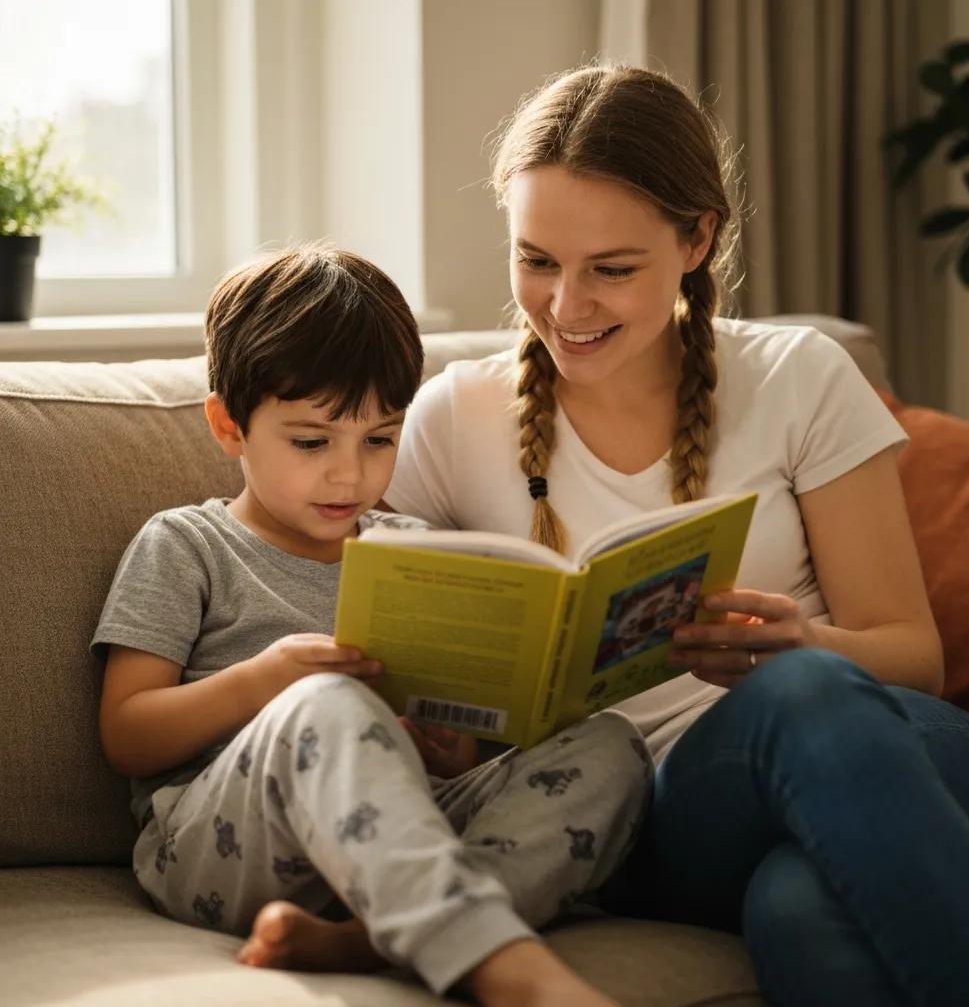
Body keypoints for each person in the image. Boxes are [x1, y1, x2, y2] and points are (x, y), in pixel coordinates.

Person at [383, 65, 969, 1006]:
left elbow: (913, 657)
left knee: (798, 906)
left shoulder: (802, 377)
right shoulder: (451, 419)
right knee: (803, 741)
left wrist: (800, 646)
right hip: (662, 816)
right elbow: (379, 635)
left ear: (697, 239)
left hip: (898, 749)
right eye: (536, 260)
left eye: (612, 268)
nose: (567, 305)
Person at [92, 243, 651, 1007]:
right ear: (228, 426)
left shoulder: (414, 551)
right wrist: (268, 680)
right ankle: (508, 969)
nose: (350, 475)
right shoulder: (187, 544)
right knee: (326, 705)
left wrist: (453, 748)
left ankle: (374, 938)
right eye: (312, 442)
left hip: (402, 843)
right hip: (222, 851)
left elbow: (455, 754)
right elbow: (127, 732)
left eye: (380, 439)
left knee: (612, 743)